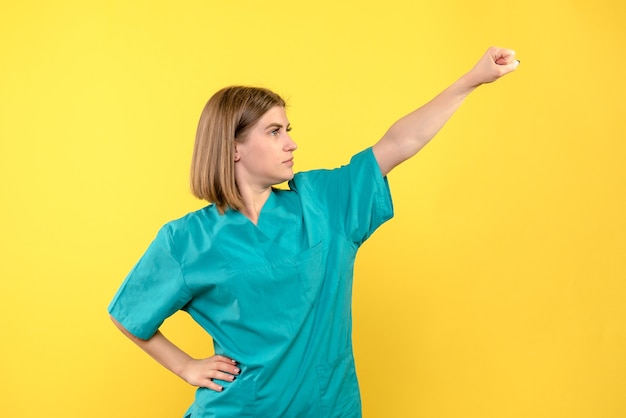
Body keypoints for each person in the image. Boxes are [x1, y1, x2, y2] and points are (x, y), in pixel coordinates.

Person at [108, 47, 519, 417]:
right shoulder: (185, 240)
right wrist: (186, 366)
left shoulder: (322, 203)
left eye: (288, 129)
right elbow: (129, 314)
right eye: (274, 132)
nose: (292, 143)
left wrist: (471, 80)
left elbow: (398, 143)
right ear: (233, 147)